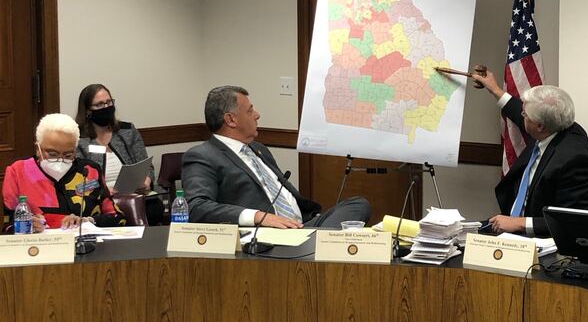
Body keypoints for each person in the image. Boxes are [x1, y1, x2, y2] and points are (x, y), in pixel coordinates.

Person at [182, 86, 370, 228]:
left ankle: (318, 242)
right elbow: (197, 206)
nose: (257, 115)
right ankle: (321, 245)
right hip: (268, 234)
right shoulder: (202, 156)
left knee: (358, 204)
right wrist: (259, 217)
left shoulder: (258, 149)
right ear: (230, 120)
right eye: (249, 110)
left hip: (302, 225)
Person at [472, 71, 588, 236]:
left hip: (539, 240)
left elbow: (574, 220)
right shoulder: (556, 124)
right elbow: (520, 114)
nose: (522, 116)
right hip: (511, 227)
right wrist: (495, 90)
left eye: (525, 115)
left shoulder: (574, 158)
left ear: (540, 125)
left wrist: (520, 223)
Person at [2, 114, 126, 231]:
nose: (60, 160)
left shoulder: (89, 171)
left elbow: (117, 217)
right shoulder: (18, 171)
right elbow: (8, 226)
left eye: (68, 155)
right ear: (38, 149)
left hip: (86, 246)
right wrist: (27, 226)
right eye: (52, 154)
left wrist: (88, 221)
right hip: (39, 248)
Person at [74, 83, 163, 224]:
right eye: (99, 105)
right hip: (100, 201)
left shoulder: (127, 131)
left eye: (109, 102)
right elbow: (78, 183)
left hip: (135, 194)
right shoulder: (79, 139)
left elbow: (147, 167)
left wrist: (146, 181)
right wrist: (103, 191)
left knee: (154, 208)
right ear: (87, 111)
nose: (106, 108)